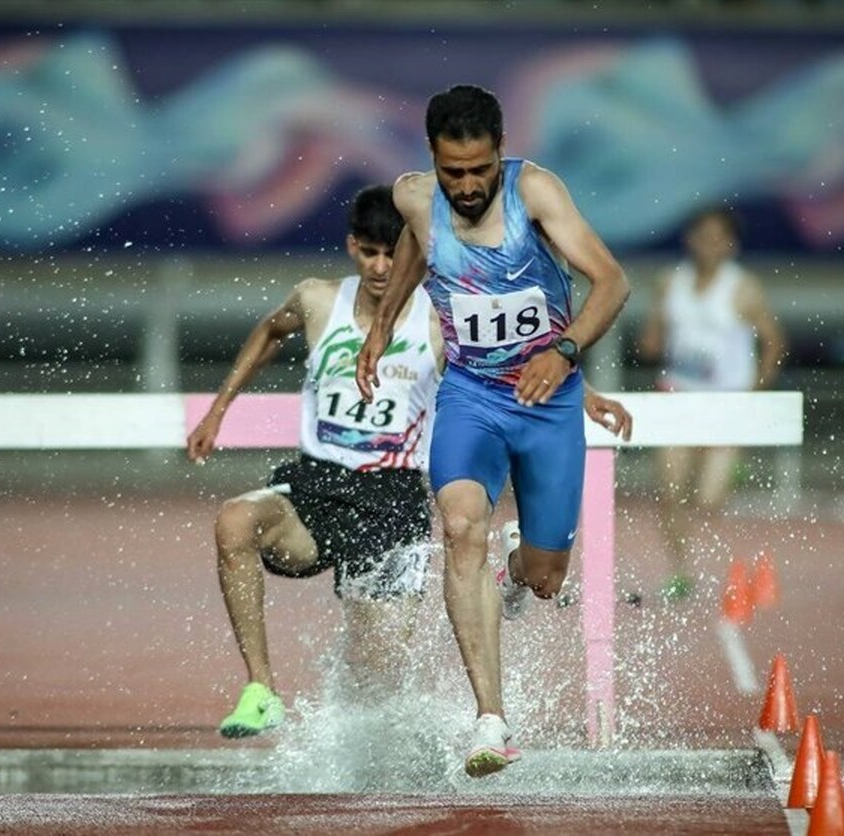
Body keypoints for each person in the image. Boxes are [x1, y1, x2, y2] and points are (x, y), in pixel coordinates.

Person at [188, 184, 634, 740]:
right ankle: (260, 689)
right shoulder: (316, 299)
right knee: (234, 519)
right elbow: (269, 331)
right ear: (353, 247)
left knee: (377, 679)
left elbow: (502, 367)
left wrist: (584, 393)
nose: (380, 267)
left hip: (392, 502)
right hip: (316, 486)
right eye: (369, 253)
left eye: (390, 255)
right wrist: (218, 409)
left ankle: (380, 762)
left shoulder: (437, 321)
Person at [355, 85, 631, 777]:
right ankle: (492, 719)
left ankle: (516, 565)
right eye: (455, 173)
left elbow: (611, 282)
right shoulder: (414, 198)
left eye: (481, 170)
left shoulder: (535, 193)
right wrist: (383, 327)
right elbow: (418, 250)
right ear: (433, 161)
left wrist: (563, 352)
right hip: (472, 395)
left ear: (501, 154)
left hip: (549, 401)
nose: (469, 186)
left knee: (544, 578)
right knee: (457, 525)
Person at [636, 206, 787, 601]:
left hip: (727, 401)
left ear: (731, 245)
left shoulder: (743, 288)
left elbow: (773, 341)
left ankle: (732, 466)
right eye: (702, 235)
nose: (709, 244)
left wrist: (756, 394)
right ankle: (681, 570)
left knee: (707, 499)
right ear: (690, 240)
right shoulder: (671, 283)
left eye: (718, 237)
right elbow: (651, 340)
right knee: (670, 492)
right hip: (678, 395)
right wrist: (652, 340)